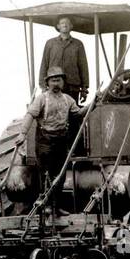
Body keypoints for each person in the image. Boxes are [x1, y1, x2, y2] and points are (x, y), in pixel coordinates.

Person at [20, 67, 85, 204]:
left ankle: (56, 206)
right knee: (45, 175)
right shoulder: (41, 99)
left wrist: (94, 103)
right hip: (45, 141)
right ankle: (45, 206)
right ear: (48, 83)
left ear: (63, 82)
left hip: (61, 141)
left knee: (60, 175)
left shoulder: (68, 100)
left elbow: (79, 114)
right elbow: (30, 115)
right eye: (53, 80)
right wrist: (22, 134)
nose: (56, 83)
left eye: (59, 80)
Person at [38, 15, 90, 103]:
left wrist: (84, 88)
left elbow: (83, 66)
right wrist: (43, 86)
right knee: (53, 112)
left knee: (72, 113)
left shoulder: (78, 44)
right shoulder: (50, 44)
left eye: (67, 23)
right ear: (58, 26)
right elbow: (44, 64)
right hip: (54, 85)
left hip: (72, 87)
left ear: (71, 26)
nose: (65, 25)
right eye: (62, 23)